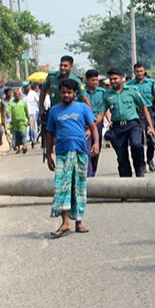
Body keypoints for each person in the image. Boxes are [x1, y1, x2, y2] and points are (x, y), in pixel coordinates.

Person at [45, 79, 99, 238]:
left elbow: (93, 126)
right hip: (62, 153)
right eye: (63, 92)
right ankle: (65, 221)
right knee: (61, 186)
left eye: (69, 92)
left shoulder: (83, 108)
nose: (66, 95)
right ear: (59, 93)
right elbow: (49, 134)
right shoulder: (54, 111)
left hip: (81, 152)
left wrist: (96, 143)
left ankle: (79, 222)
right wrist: (48, 154)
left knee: (79, 186)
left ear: (75, 93)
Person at [94, 68, 155, 177]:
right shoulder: (107, 95)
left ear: (122, 79)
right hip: (117, 128)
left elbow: (144, 108)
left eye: (115, 79)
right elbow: (101, 114)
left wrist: (151, 126)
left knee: (136, 145)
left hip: (133, 125)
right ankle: (126, 182)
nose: (113, 81)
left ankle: (140, 167)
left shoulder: (132, 90)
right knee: (122, 156)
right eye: (111, 79)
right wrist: (91, 126)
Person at [40, 55, 90, 157]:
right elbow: (43, 90)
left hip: (71, 113)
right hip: (55, 112)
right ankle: (49, 152)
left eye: (66, 66)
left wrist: (90, 115)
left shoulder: (76, 81)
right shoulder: (52, 77)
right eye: (61, 65)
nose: (63, 68)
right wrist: (41, 108)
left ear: (71, 67)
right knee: (49, 133)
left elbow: (84, 98)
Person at [126, 62, 155, 172]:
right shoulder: (129, 85)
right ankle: (141, 163)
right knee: (138, 141)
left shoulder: (151, 83)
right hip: (136, 113)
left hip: (150, 112)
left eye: (141, 71)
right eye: (137, 71)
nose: (139, 73)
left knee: (151, 138)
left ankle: (150, 159)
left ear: (144, 71)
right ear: (134, 72)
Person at [84, 69, 107, 177]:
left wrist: (108, 120)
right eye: (93, 80)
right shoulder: (81, 92)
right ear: (87, 80)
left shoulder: (102, 92)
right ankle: (88, 174)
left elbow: (104, 109)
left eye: (96, 80)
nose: (95, 82)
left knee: (96, 149)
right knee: (86, 149)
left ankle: (92, 173)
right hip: (84, 124)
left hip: (97, 123)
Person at [8, 87, 30, 154]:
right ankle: (18, 148)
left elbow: (26, 111)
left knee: (23, 134)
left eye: (18, 94)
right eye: (16, 94)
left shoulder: (23, 103)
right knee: (16, 136)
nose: (17, 96)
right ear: (14, 96)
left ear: (20, 95)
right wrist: (8, 113)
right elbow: (8, 109)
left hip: (22, 122)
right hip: (14, 123)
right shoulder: (11, 103)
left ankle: (25, 146)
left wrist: (28, 119)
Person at [26, 82, 41, 148]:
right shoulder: (22, 95)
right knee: (25, 129)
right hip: (24, 114)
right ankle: (25, 143)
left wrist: (40, 110)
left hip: (32, 113)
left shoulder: (33, 93)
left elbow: (38, 101)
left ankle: (34, 142)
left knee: (33, 128)